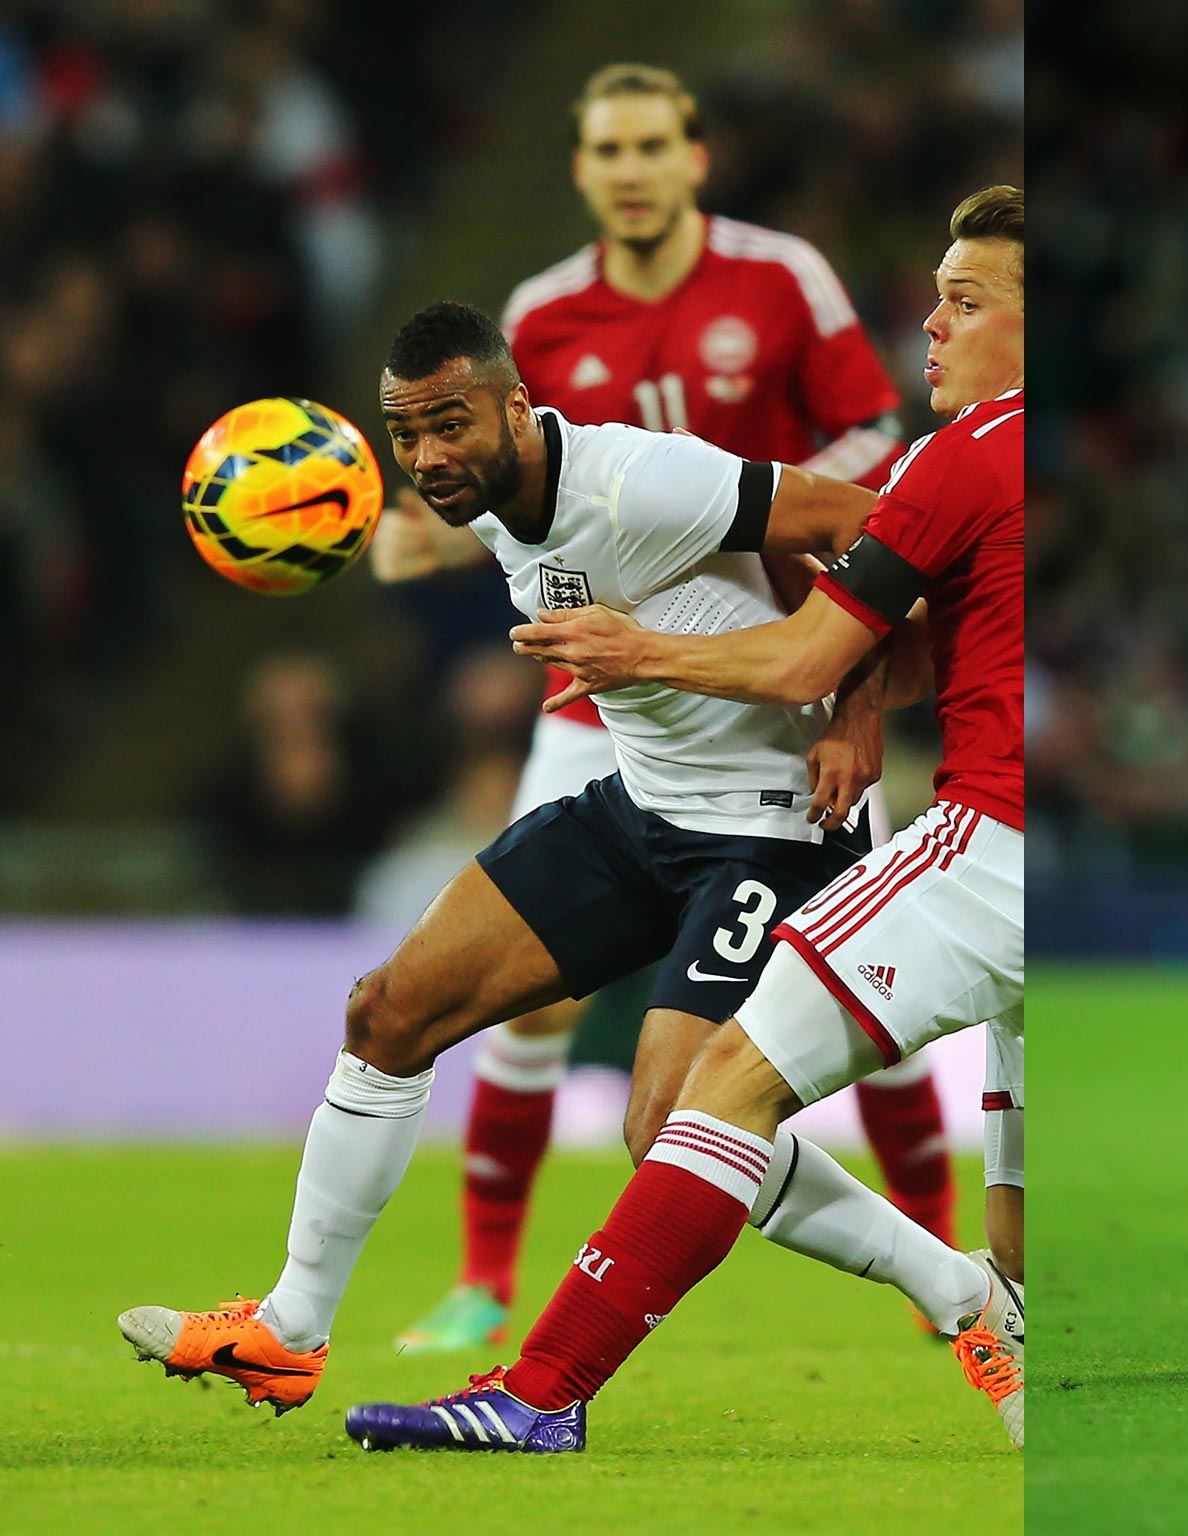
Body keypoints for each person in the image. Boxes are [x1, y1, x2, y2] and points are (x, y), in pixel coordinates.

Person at [117, 299, 1003, 1421]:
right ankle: (290, 1331)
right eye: (408, 434)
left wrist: (856, 708)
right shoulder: (485, 501)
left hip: (776, 823)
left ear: (518, 411)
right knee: (388, 1013)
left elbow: (875, 521)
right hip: (641, 810)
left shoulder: (641, 481)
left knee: (669, 1128)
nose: (431, 456)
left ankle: (967, 1293)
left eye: (451, 425)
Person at [341, 184, 1024, 1452]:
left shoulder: (955, 453)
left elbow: (799, 650)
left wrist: (644, 649)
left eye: (963, 301)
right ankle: (991, 1312)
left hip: (977, 843)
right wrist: (866, 691)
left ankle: (540, 1392)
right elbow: (911, 645)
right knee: (990, 1219)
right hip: (994, 845)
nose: (927, 323)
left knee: (703, 1104)